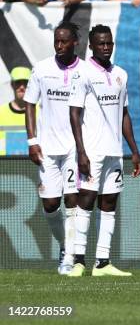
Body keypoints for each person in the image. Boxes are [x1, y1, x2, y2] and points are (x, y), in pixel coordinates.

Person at [67, 25, 140, 277]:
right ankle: (77, 260)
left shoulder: (121, 73)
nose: (106, 47)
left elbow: (124, 113)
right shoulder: (83, 73)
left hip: (114, 151)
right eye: (101, 44)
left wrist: (134, 150)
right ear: (91, 46)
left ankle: (102, 262)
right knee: (86, 200)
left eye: (109, 43)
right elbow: (74, 114)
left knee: (109, 203)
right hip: (92, 150)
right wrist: (81, 151)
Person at [23, 22, 84, 275]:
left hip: (73, 147)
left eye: (64, 41)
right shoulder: (42, 68)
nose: (59, 46)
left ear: (74, 43)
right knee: (50, 204)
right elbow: (29, 104)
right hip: (47, 147)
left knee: (72, 200)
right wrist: (32, 141)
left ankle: (68, 256)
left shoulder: (85, 71)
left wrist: (85, 148)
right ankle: (64, 243)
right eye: (56, 41)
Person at [0, 67, 30, 156]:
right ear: (12, 85)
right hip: (5, 167)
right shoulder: (1, 113)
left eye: (25, 83)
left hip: (33, 167)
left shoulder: (40, 113)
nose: (22, 87)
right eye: (18, 83)